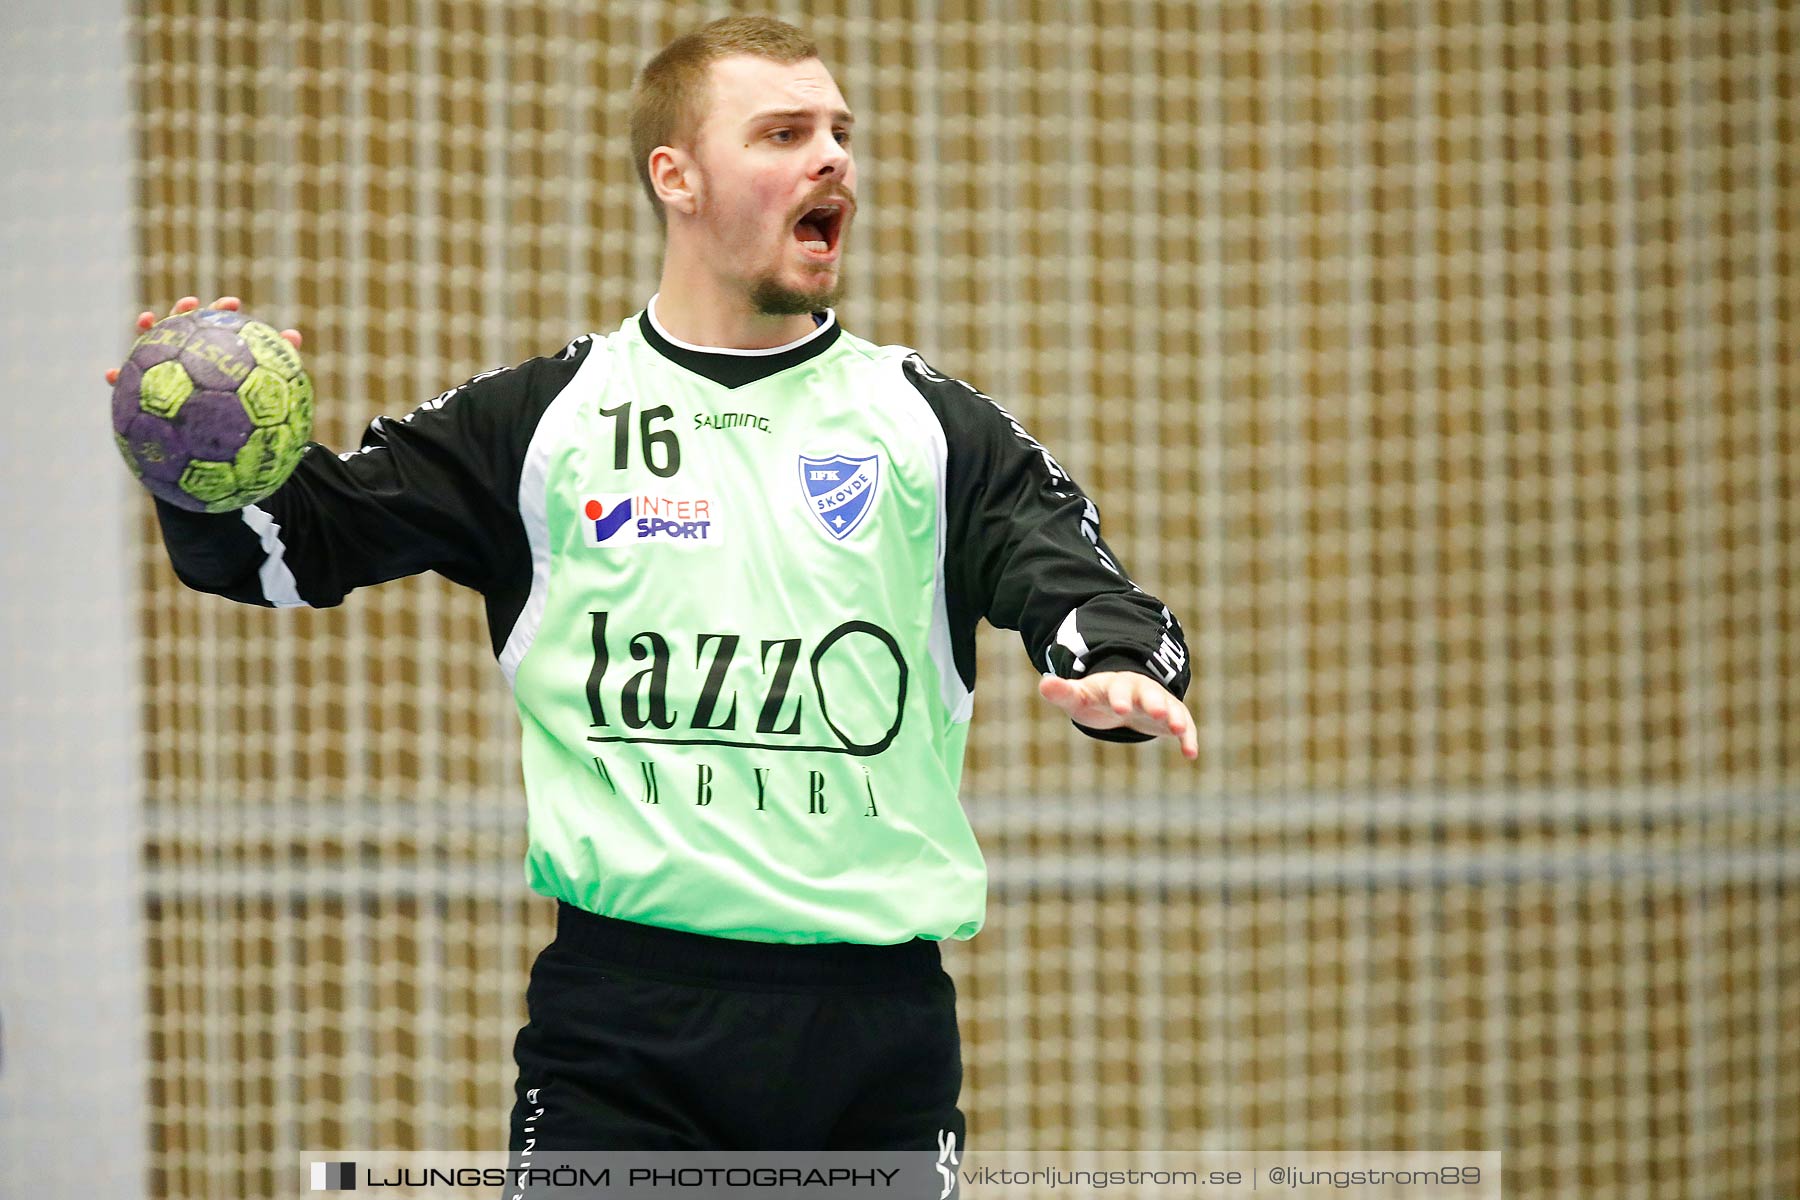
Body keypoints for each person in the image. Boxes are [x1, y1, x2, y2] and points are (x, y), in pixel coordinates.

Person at [110, 14, 1193, 1160]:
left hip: (871, 1035)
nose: (833, 159)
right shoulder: (541, 422)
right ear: (673, 176)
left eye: (839, 132)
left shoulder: (928, 426)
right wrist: (203, 467)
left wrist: (1110, 664)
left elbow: (1073, 578)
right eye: (783, 133)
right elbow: (294, 549)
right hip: (624, 1031)